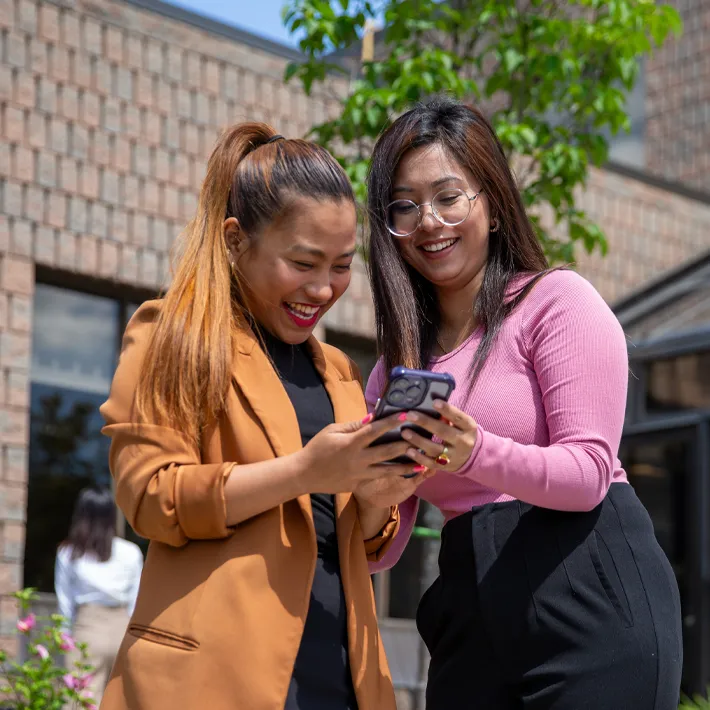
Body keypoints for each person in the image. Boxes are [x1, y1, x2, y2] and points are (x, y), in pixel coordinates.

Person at [98, 123, 432, 710]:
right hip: (213, 678)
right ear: (234, 240)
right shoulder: (172, 336)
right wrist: (304, 472)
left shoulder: (340, 372)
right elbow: (152, 497)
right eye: (303, 262)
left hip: (343, 679)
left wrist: (382, 491)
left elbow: (362, 543)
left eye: (341, 266)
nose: (323, 288)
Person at [365, 97, 683, 709]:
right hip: (468, 608)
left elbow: (589, 472)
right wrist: (377, 488)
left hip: (587, 594)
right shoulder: (393, 371)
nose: (428, 221)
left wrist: (473, 451)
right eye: (404, 206)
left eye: (448, 196)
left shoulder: (555, 301)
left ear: (491, 199)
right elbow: (389, 546)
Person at [55, 487, 143, 704]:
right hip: (123, 631)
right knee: (119, 701)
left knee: (80, 700)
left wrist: (64, 636)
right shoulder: (131, 552)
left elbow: (64, 602)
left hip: (87, 629)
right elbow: (136, 600)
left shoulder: (68, 553)